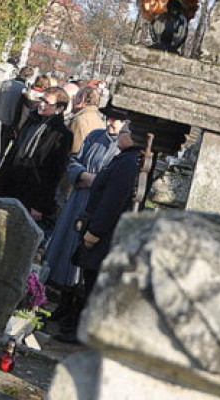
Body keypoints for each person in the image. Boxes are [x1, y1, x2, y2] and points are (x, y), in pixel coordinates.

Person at [56, 123, 143, 344]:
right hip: (103, 232)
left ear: (131, 138)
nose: (119, 137)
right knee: (90, 282)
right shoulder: (125, 160)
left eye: (123, 133)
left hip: (105, 236)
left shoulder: (127, 163)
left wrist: (94, 233)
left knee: (94, 285)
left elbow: (111, 202)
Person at [43, 107, 127, 331]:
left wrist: (94, 181)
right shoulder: (94, 136)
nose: (111, 123)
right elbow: (74, 161)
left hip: (95, 204)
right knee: (67, 249)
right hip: (78, 199)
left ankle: (75, 307)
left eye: (117, 120)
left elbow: (114, 180)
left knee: (83, 255)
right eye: (109, 118)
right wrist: (82, 175)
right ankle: (63, 300)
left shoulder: (123, 149)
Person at [0, 86, 71, 229]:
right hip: (10, 183)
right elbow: (13, 152)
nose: (42, 104)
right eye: (42, 100)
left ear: (59, 108)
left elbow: (54, 173)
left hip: (31, 192)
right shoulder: (32, 120)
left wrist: (39, 205)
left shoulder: (61, 134)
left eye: (47, 103)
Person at [68, 86, 105, 155]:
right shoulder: (99, 120)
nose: (73, 101)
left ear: (82, 99)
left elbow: (75, 151)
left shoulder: (79, 120)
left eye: (74, 98)